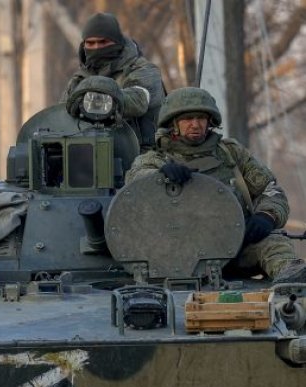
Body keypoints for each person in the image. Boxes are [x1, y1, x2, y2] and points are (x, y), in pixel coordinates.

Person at [125, 86, 305, 283]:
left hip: (237, 247)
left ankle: (291, 278)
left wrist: (267, 216)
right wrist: (160, 177)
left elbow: (270, 190)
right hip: (177, 256)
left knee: (274, 242)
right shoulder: (155, 159)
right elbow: (135, 184)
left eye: (201, 118)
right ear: (173, 123)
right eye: (188, 119)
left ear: (210, 121)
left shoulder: (231, 154)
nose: (195, 124)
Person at [60, 12, 164, 150]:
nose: (96, 47)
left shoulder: (143, 70)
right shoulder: (79, 80)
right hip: (87, 152)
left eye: (103, 42)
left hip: (142, 153)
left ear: (117, 42)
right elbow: (61, 116)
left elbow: (138, 101)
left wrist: (96, 97)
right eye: (90, 43)